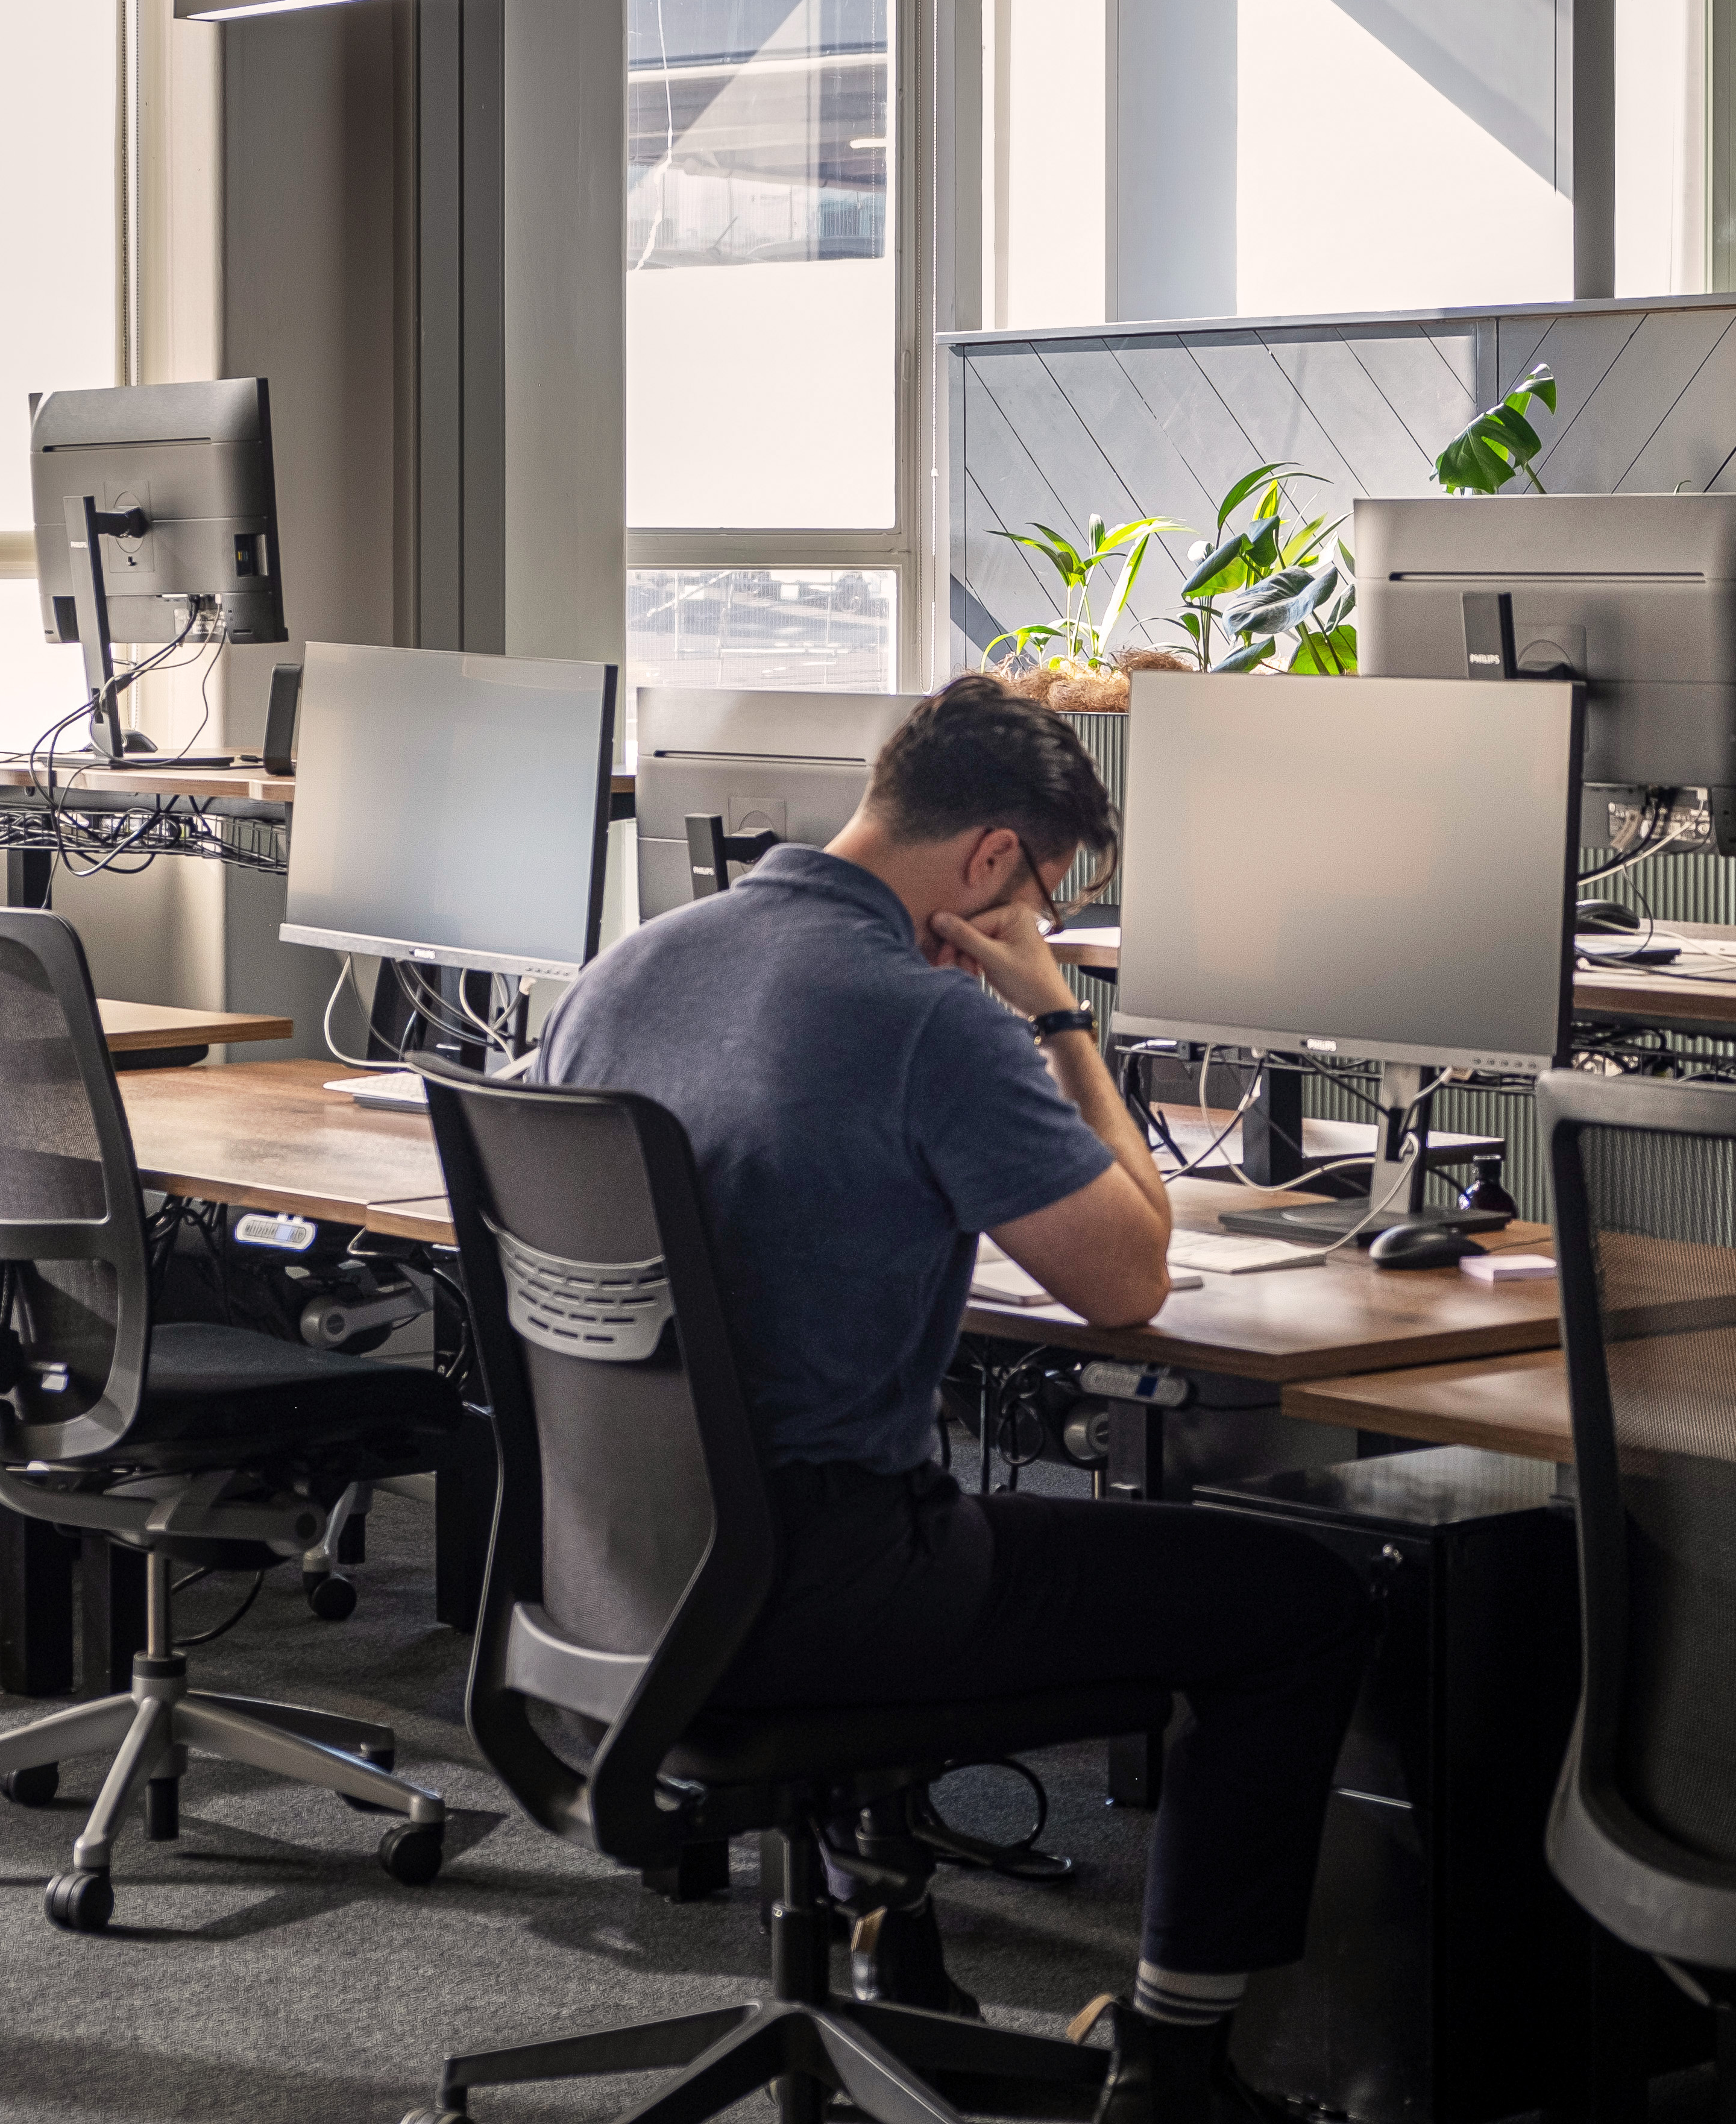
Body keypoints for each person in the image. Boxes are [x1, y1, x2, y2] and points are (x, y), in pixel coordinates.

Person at [536, 673, 1375, 2124]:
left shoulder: (629, 967)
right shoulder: (931, 1019)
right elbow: (1127, 1276)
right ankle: (1178, 2062)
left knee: (928, 1483)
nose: (1041, 923)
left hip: (608, 1573)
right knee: (1301, 1602)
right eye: (1047, 894)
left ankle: (890, 1941)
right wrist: (1055, 1018)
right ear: (995, 863)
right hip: (815, 1591)